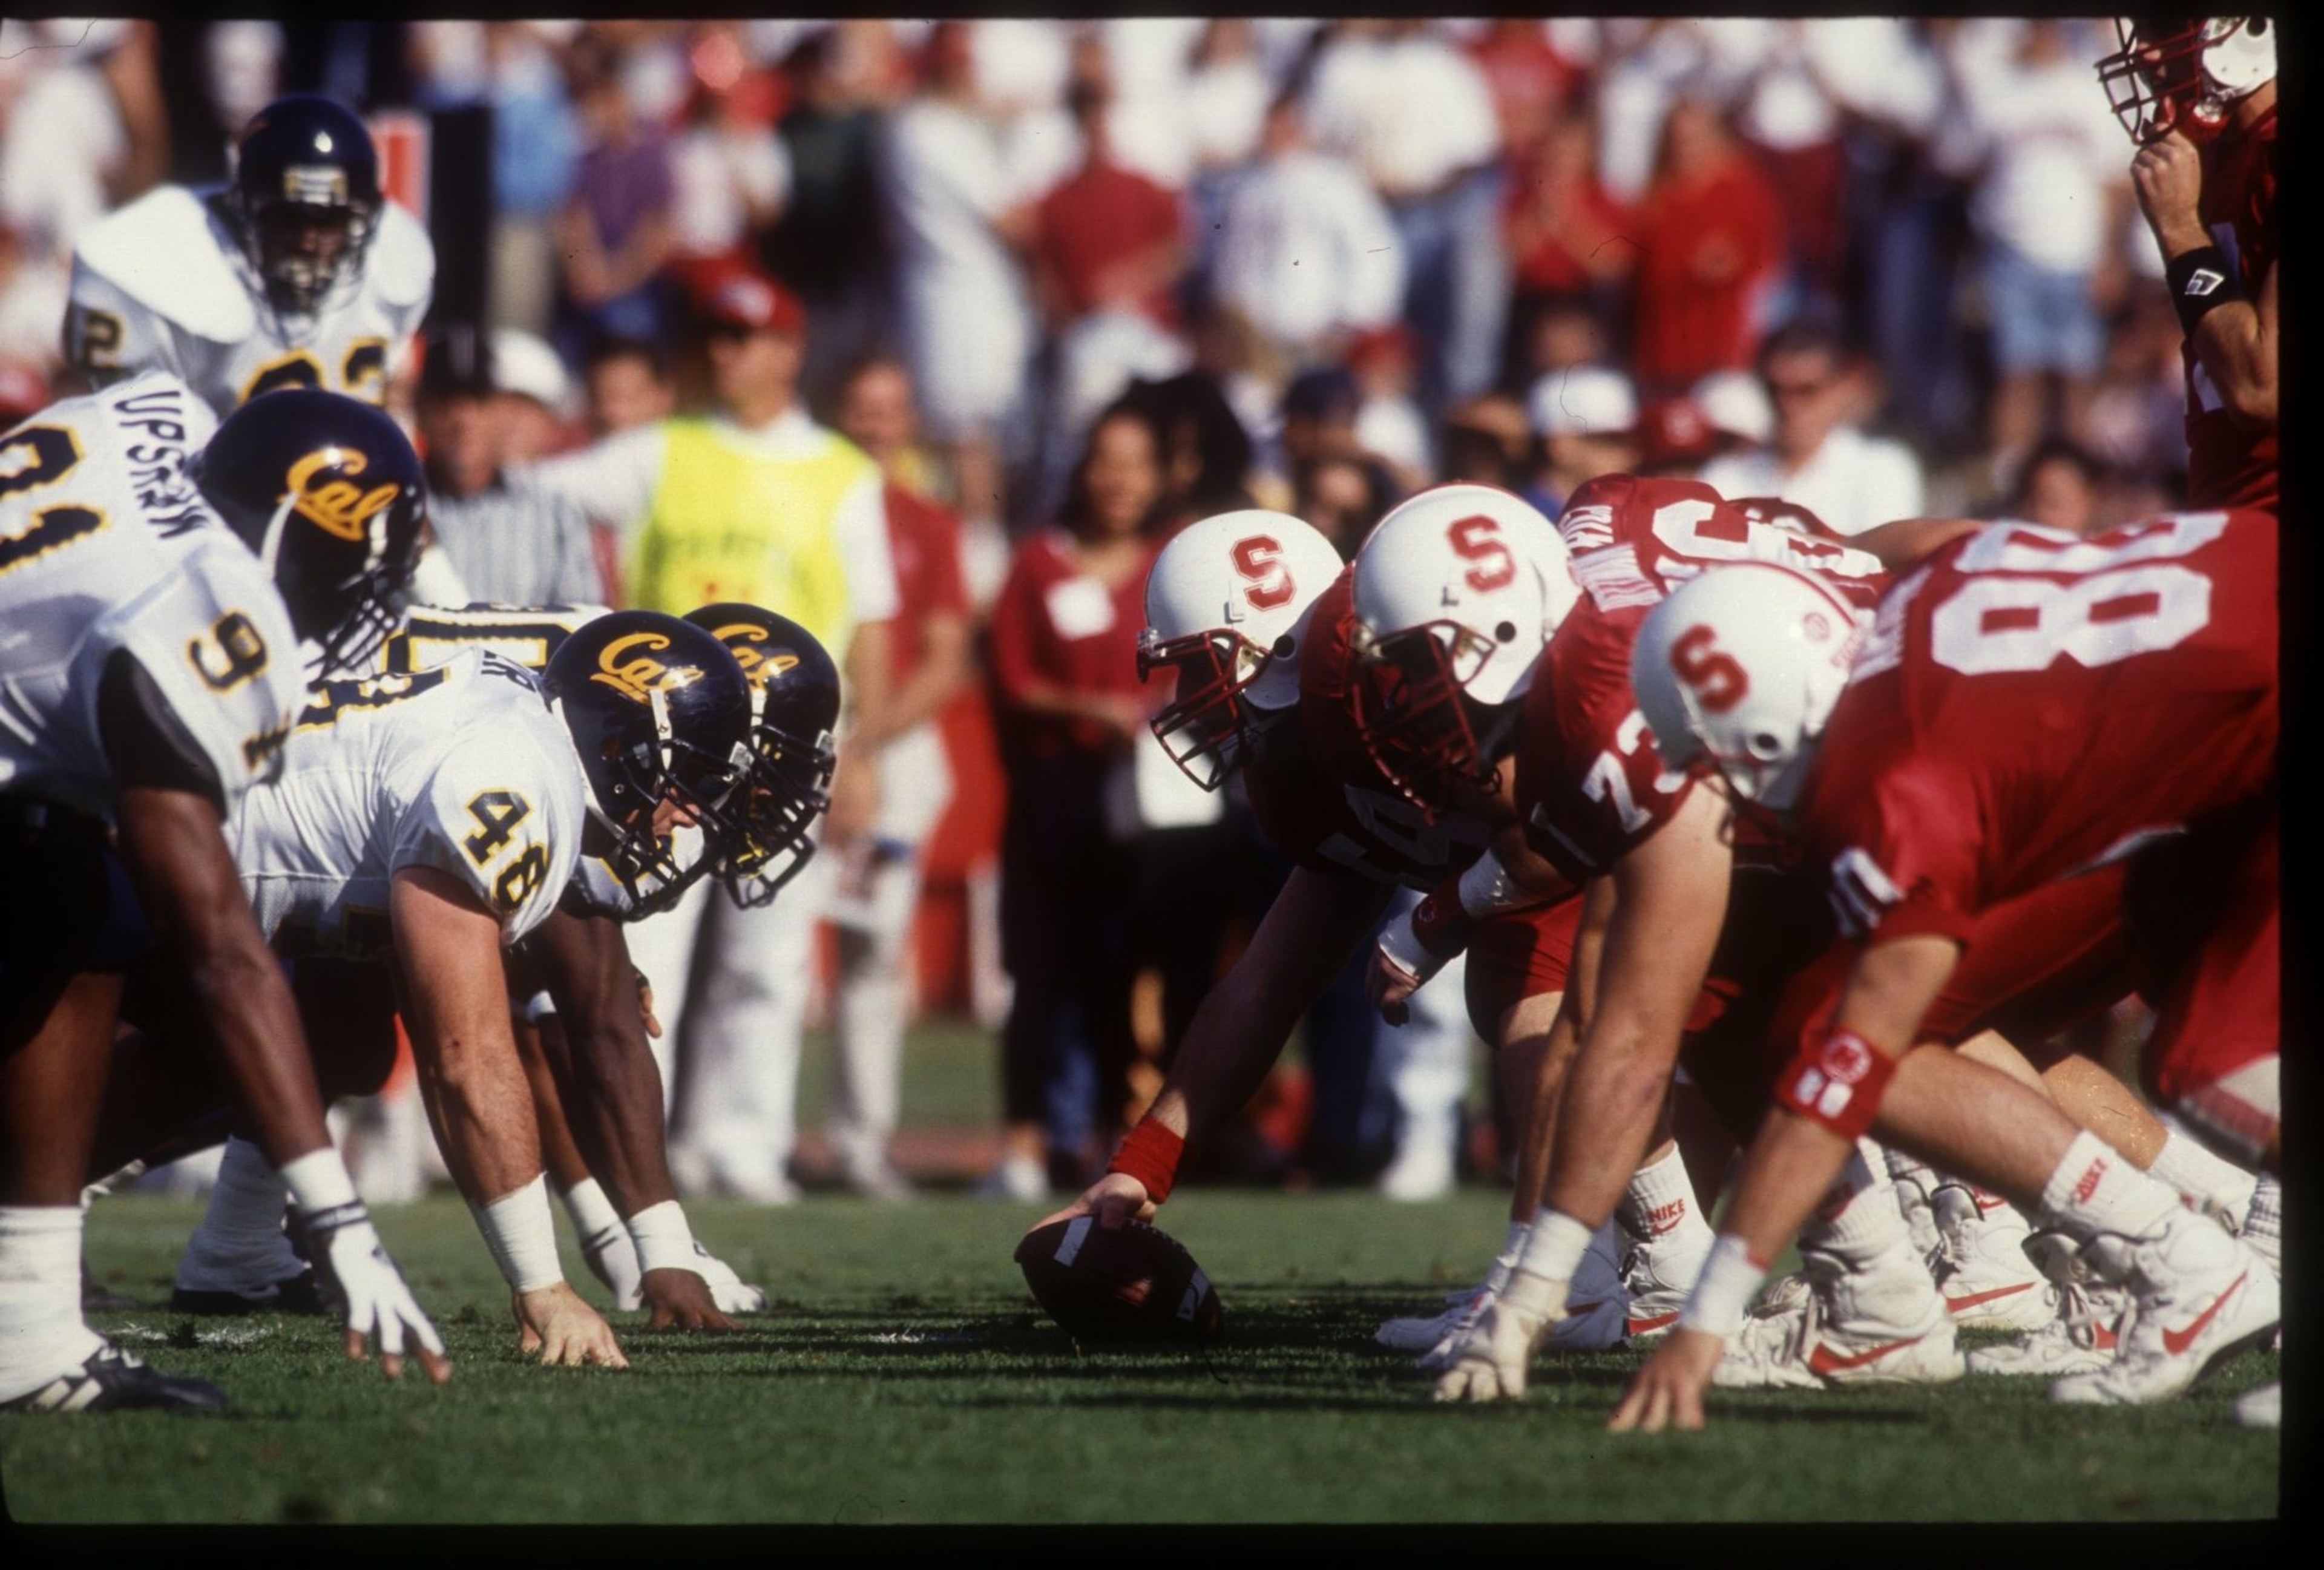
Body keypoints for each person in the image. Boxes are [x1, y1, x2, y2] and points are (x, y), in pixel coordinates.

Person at [1612, 511, 2279, 1429]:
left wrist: (1707, 1320)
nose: (1719, 800)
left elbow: (1843, 1066)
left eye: (1716, 767)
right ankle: (2219, 1258)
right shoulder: (1915, 597)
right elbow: (1955, 537)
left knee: (2210, 1063)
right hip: (2246, 642)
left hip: (2251, 732)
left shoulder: (1901, 786)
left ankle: (2186, 1260)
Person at [148, 611, 760, 1367]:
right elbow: (465, 1055)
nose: (688, 814)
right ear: (623, 739)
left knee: (342, 1032)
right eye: (687, 779)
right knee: (163, 1062)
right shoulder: (514, 781)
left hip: (185, 844)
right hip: (141, 849)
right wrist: (542, 1285)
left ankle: (220, 1251)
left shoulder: (535, 735)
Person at [2, 378, 443, 1412]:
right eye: (356, 577)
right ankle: (22, 1324)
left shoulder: (158, 411)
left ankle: (24, 1322)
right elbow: (220, 948)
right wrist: (336, 1214)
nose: (355, 604)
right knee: (123, 904)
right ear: (300, 531)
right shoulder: (209, 611)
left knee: (92, 890)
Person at [528, 268, 897, 1203]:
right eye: (718, 338)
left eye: (748, 337)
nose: (728, 354)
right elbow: (535, 491)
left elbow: (873, 620)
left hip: (789, 745)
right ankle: (634, 1138)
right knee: (651, 948)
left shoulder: (843, 472)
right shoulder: (663, 447)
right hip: (672, 740)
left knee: (770, 956)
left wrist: (864, 748)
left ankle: (741, 1139)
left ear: (790, 349)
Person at [981, 402, 1169, 1198]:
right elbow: (1014, 677)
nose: (1119, 479)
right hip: (1055, 792)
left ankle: (1104, 1141)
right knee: (1040, 969)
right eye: (1105, 460)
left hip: (1145, 796)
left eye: (1136, 461)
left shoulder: (1169, 562)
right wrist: (1091, 709)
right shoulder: (1040, 561)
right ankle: (1024, 1144)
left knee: (1119, 971)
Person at [829, 357, 976, 1198]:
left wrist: (870, 739)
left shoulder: (928, 521)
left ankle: (862, 1140)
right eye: (860, 407)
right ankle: (730, 1137)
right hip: (804, 737)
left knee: (875, 951)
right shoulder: (808, 496)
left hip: (894, 748)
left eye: (890, 410)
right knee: (759, 956)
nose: (875, 425)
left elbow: (948, 655)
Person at [64, 94, 433, 414]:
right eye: (287, 217)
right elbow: (123, 439)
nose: (308, 240)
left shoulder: (395, 263)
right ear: (241, 207)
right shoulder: (153, 265)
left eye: (331, 221)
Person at [2098, 17, 2276, 511]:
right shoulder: (2216, 156)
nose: (2144, 54)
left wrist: (2178, 228)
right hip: (2222, 505)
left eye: (2166, 27)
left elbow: (2260, 388)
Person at [412, 327, 604, 606]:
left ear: (502, 410)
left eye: (478, 400)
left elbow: (583, 629)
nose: (462, 419)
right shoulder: (391, 507)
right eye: (445, 402)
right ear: (420, 411)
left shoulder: (553, 511)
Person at [1698, 321, 1926, 537]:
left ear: (1841, 390)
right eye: (1775, 390)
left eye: (1806, 391)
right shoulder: (1726, 473)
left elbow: (1884, 561)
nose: (1787, 405)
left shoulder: (1881, 467)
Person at [1627, 95, 1783, 393]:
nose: (1684, 149)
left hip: (1720, 347)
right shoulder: (1657, 195)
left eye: (1695, 139)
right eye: (1677, 139)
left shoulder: (1743, 192)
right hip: (1660, 348)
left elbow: (1757, 261)